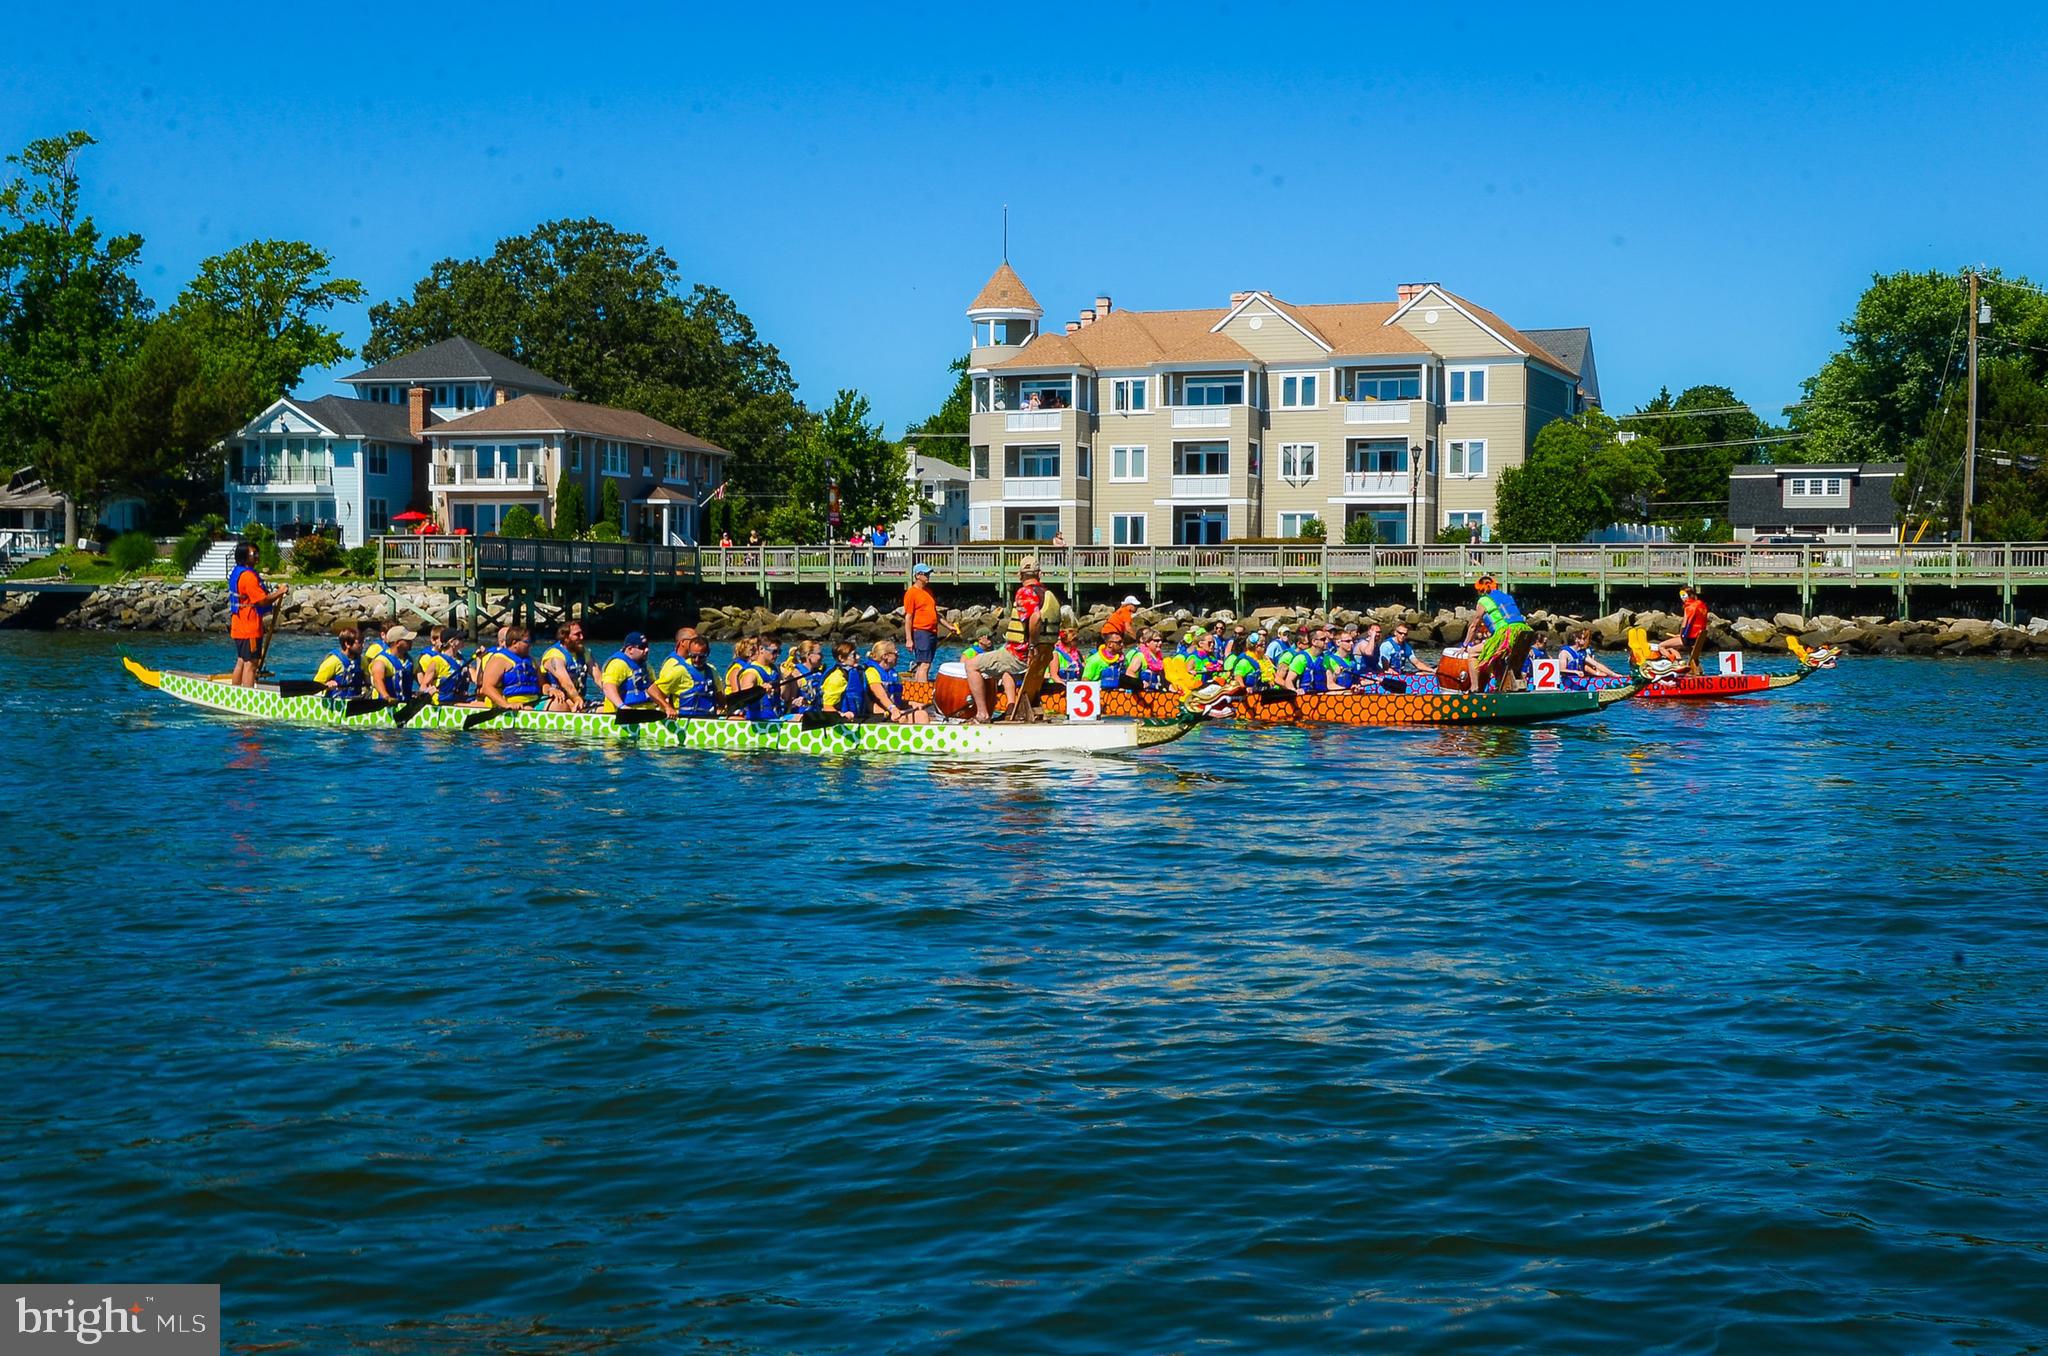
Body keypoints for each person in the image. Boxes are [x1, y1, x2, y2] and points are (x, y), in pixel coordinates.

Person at [963, 560, 1043, 723]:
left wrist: (1032, 645)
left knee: (971, 665)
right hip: (1040, 655)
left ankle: (982, 714)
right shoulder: (1045, 593)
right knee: (1003, 666)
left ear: (1020, 575)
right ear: (1039, 574)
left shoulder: (1025, 592)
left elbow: (1036, 617)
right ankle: (1011, 707)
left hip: (1020, 654)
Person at [227, 541, 287, 687]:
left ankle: (235, 692)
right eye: (254, 554)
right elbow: (261, 601)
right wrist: (280, 592)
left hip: (239, 624)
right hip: (249, 626)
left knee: (242, 659)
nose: (257, 556)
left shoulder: (237, 572)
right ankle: (247, 697)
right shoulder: (248, 577)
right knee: (251, 663)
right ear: (244, 557)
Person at [1465, 575, 1535, 692]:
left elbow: (1474, 626)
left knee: (1472, 653)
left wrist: (1465, 645)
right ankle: (1500, 685)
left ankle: (1474, 688)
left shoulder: (1483, 600)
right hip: (1523, 633)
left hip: (1506, 634)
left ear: (1480, 590)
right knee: (1497, 655)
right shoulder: (1507, 597)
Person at [903, 562, 957, 683]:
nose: (928, 576)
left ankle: (918, 696)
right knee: (925, 665)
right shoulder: (911, 593)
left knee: (923, 664)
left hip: (932, 632)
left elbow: (935, 614)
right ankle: (922, 697)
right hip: (921, 632)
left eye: (928, 573)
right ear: (917, 575)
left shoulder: (928, 592)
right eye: (925, 574)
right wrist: (909, 639)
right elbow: (908, 617)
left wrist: (949, 626)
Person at [655, 629, 720, 717]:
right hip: (684, 722)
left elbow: (720, 698)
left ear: (707, 654)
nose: (697, 660)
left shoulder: (712, 671)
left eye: (701, 657)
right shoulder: (679, 670)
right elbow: (653, 690)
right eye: (693, 656)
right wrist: (667, 707)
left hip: (707, 721)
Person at [599, 632, 669, 715]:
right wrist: (622, 707)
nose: (647, 650)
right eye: (642, 647)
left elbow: (652, 687)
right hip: (621, 716)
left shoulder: (646, 666)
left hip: (647, 712)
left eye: (647, 646)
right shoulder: (617, 664)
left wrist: (665, 704)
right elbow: (608, 687)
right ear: (630, 649)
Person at [477, 625, 543, 709]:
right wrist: (506, 704)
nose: (530, 645)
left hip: (535, 701)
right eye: (527, 642)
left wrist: (550, 690)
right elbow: (487, 687)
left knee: (559, 704)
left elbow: (542, 684)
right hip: (509, 705)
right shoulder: (499, 660)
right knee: (528, 709)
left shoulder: (531, 661)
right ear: (514, 643)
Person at [860, 640, 925, 723]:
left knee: (922, 715)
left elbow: (902, 692)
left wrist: (916, 701)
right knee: (902, 718)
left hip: (893, 709)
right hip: (878, 712)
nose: (898, 656)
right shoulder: (871, 672)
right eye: (896, 653)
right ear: (885, 656)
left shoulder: (893, 673)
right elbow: (881, 695)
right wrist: (893, 709)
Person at [1653, 586, 1712, 672]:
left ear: (1689, 595)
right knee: (1672, 648)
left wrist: (1682, 635)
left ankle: (1675, 664)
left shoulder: (1689, 607)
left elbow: (1686, 624)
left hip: (1689, 638)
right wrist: (1680, 635)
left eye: (1684, 596)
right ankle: (1680, 662)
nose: (1682, 598)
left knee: (1661, 646)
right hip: (1698, 637)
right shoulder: (1702, 605)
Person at [538, 621, 591, 712]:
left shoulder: (585, 652)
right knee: (561, 706)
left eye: (582, 633)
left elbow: (599, 679)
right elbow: (566, 683)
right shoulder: (554, 655)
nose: (582, 637)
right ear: (566, 637)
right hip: (556, 699)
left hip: (578, 699)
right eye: (577, 635)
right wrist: (577, 699)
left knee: (603, 708)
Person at [730, 638, 781, 721]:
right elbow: (744, 699)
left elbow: (784, 697)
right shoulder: (751, 673)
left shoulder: (774, 670)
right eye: (774, 651)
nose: (777, 655)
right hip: (757, 719)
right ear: (761, 649)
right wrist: (759, 690)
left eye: (779, 652)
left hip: (774, 716)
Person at [418, 630, 473, 705]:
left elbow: (476, 679)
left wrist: (480, 659)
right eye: (460, 639)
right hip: (441, 703)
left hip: (459, 700)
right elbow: (423, 687)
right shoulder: (437, 661)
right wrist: (428, 690)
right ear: (451, 642)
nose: (463, 640)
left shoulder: (462, 661)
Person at [1559, 628, 1623, 690]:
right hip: (1566, 682)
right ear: (1577, 640)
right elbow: (1561, 669)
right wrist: (1575, 672)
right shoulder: (1565, 653)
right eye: (1583, 639)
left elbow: (1597, 665)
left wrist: (1613, 674)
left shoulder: (1582, 653)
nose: (1585, 640)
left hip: (1578, 679)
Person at [313, 626, 366, 698]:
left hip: (355, 702)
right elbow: (315, 685)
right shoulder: (332, 661)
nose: (363, 645)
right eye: (359, 642)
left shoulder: (362, 661)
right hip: (335, 704)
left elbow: (368, 681)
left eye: (363, 642)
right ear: (347, 644)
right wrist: (326, 685)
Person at [367, 625, 418, 701]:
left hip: (405, 702)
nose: (411, 642)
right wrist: (386, 696)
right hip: (386, 706)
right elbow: (378, 680)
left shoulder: (409, 660)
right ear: (397, 643)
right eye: (407, 640)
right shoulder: (381, 661)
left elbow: (419, 677)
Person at [819, 640, 866, 719]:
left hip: (857, 717)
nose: (858, 657)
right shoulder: (837, 678)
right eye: (854, 655)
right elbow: (827, 707)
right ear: (841, 658)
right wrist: (841, 715)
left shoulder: (857, 673)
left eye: (857, 653)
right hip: (840, 720)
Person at [781, 638, 828, 712]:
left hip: (818, 713)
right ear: (809, 655)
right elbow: (789, 701)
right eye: (819, 654)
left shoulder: (820, 672)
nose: (822, 656)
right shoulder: (796, 673)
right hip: (801, 714)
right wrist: (800, 701)